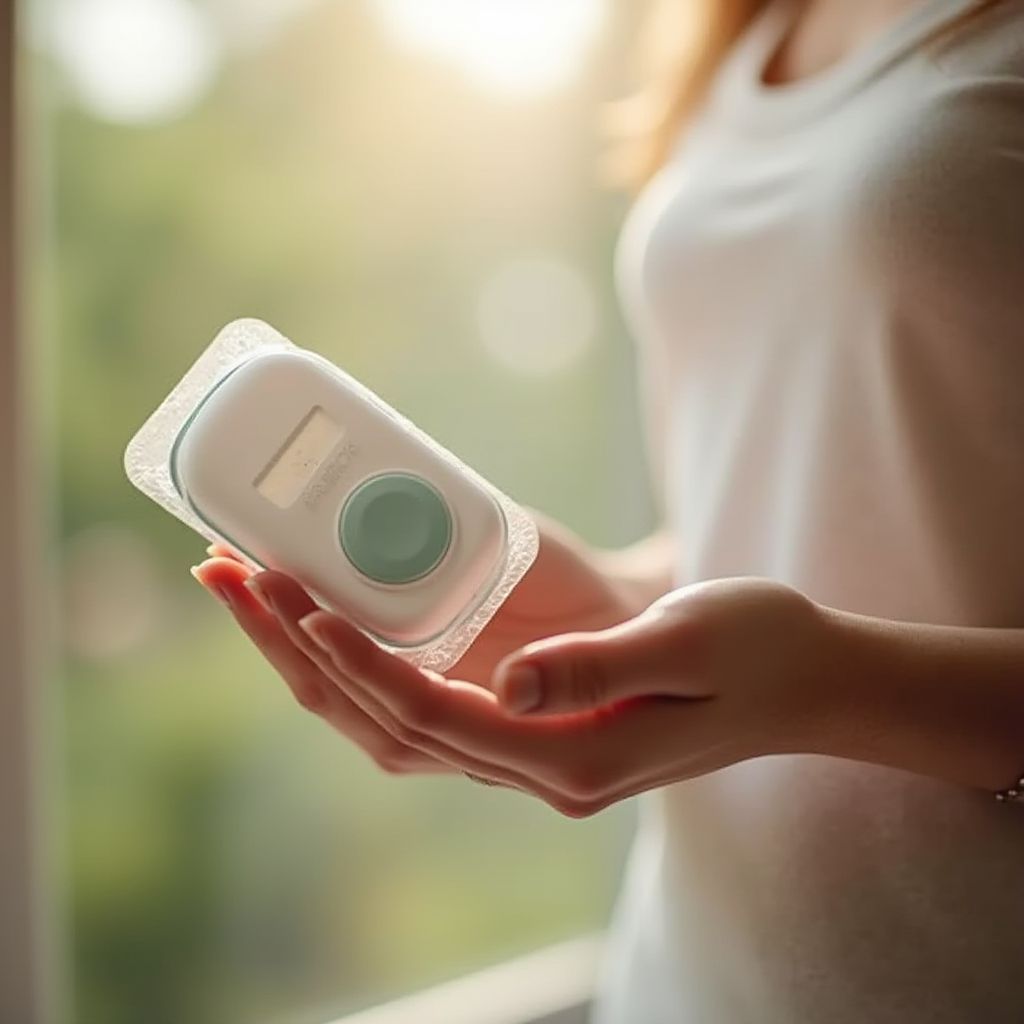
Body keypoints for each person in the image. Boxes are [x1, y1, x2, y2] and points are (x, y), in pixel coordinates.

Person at [192, 0, 1024, 1020]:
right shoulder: (740, 30)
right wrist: (608, 603)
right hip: (681, 977)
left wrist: (833, 684)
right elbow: (789, 511)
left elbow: (820, 631)